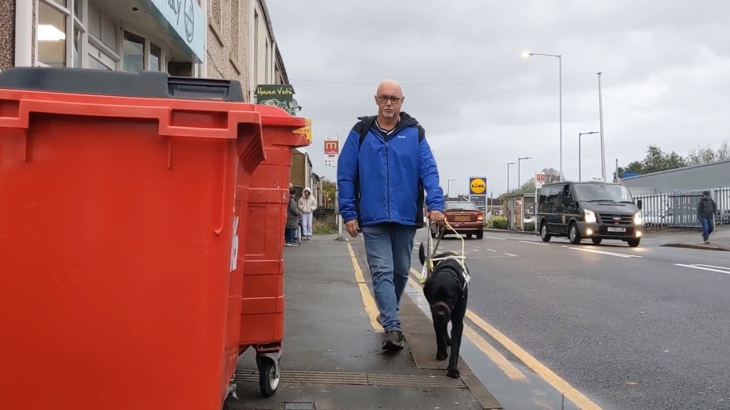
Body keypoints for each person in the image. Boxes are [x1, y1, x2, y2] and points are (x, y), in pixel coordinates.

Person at [337, 79, 445, 351]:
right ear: (376, 100)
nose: (388, 103)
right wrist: (348, 212)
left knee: (399, 272)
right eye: (384, 98)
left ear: (401, 102)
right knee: (382, 271)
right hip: (372, 218)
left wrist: (436, 204)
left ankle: (388, 312)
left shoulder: (415, 134)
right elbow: (346, 174)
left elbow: (429, 171)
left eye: (393, 99)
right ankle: (393, 328)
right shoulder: (360, 132)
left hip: (405, 216)